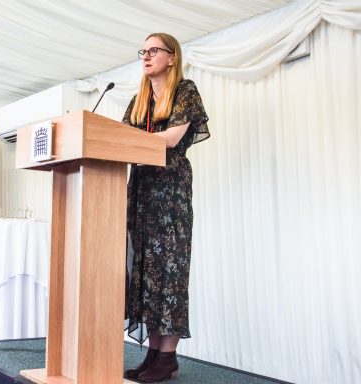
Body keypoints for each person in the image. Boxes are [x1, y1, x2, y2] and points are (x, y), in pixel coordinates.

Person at [121, 33, 210, 383]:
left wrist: (132, 140)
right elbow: (121, 138)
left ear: (172, 57)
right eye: (143, 50)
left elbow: (172, 139)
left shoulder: (184, 89)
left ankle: (169, 355)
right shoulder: (139, 99)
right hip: (141, 190)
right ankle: (154, 354)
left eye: (154, 49)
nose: (146, 55)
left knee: (169, 272)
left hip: (169, 192)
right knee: (146, 272)